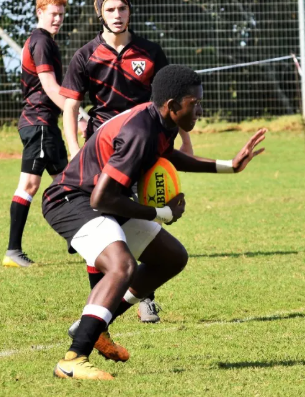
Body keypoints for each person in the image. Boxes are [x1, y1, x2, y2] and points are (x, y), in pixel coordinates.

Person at [43, 64, 267, 379]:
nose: (200, 111)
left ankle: (94, 324)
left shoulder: (161, 122)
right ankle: (73, 359)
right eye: (195, 104)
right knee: (122, 266)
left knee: (171, 258)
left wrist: (228, 165)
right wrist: (162, 214)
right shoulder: (140, 132)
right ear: (172, 105)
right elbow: (100, 199)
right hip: (72, 201)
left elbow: (169, 156)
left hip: (106, 200)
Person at [59, 0, 193, 323]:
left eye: (122, 8)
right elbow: (70, 106)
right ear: (100, 14)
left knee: (143, 217)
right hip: (102, 152)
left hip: (145, 148)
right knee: (103, 223)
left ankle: (144, 296)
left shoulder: (150, 52)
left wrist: (186, 143)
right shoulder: (86, 55)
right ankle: (100, 304)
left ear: (130, 11)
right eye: (110, 9)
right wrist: (74, 148)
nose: (117, 14)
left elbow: (172, 101)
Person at [2, 0, 69, 268]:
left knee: (67, 181)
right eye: (53, 13)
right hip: (38, 123)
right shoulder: (41, 41)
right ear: (39, 12)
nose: (58, 19)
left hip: (43, 124)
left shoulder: (42, 40)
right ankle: (13, 251)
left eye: (61, 14)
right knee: (32, 185)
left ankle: (77, 238)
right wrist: (76, 116)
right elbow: (50, 87)